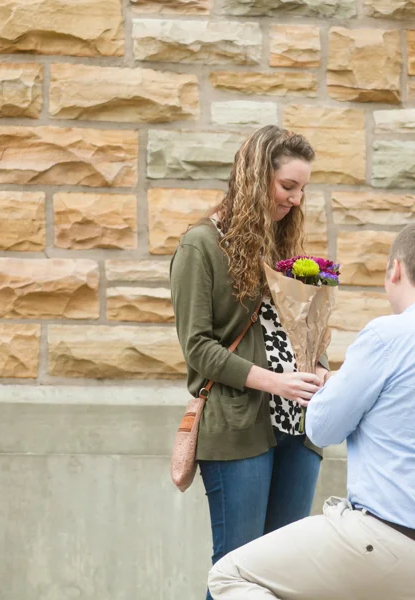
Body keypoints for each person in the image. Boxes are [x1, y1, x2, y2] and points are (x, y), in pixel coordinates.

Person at [207, 221, 415, 600]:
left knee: (230, 576)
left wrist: (328, 385)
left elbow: (321, 428)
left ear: (395, 270)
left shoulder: (387, 336)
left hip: (377, 543)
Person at [169, 125, 331, 600]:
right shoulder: (200, 246)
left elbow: (301, 326)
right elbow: (198, 347)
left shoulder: (282, 246)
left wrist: (320, 366)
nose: (296, 200)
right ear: (256, 178)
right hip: (239, 426)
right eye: (287, 186)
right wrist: (274, 382)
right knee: (236, 573)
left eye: (302, 190)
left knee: (285, 577)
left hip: (298, 427)